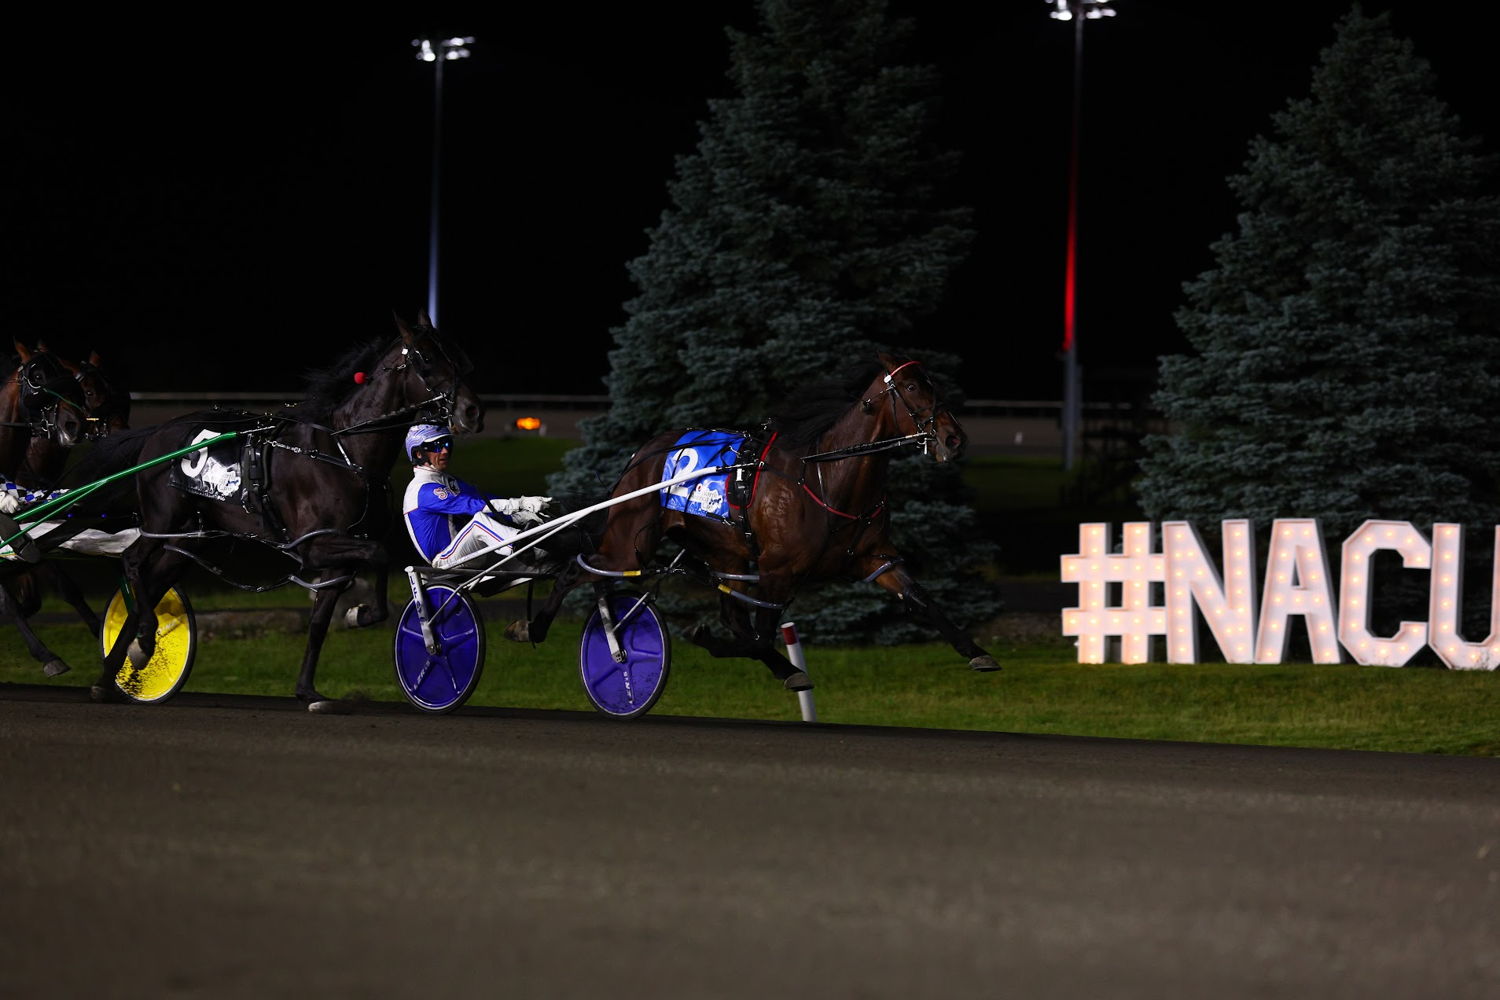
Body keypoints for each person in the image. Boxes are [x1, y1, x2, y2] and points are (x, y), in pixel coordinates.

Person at [401, 423, 552, 571]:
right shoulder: (422, 490)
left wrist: (519, 516)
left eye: (447, 443)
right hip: (444, 559)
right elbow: (473, 506)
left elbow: (484, 500)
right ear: (418, 454)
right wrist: (521, 503)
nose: (445, 450)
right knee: (479, 522)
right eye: (436, 446)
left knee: (544, 558)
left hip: (468, 550)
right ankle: (520, 545)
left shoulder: (447, 480)